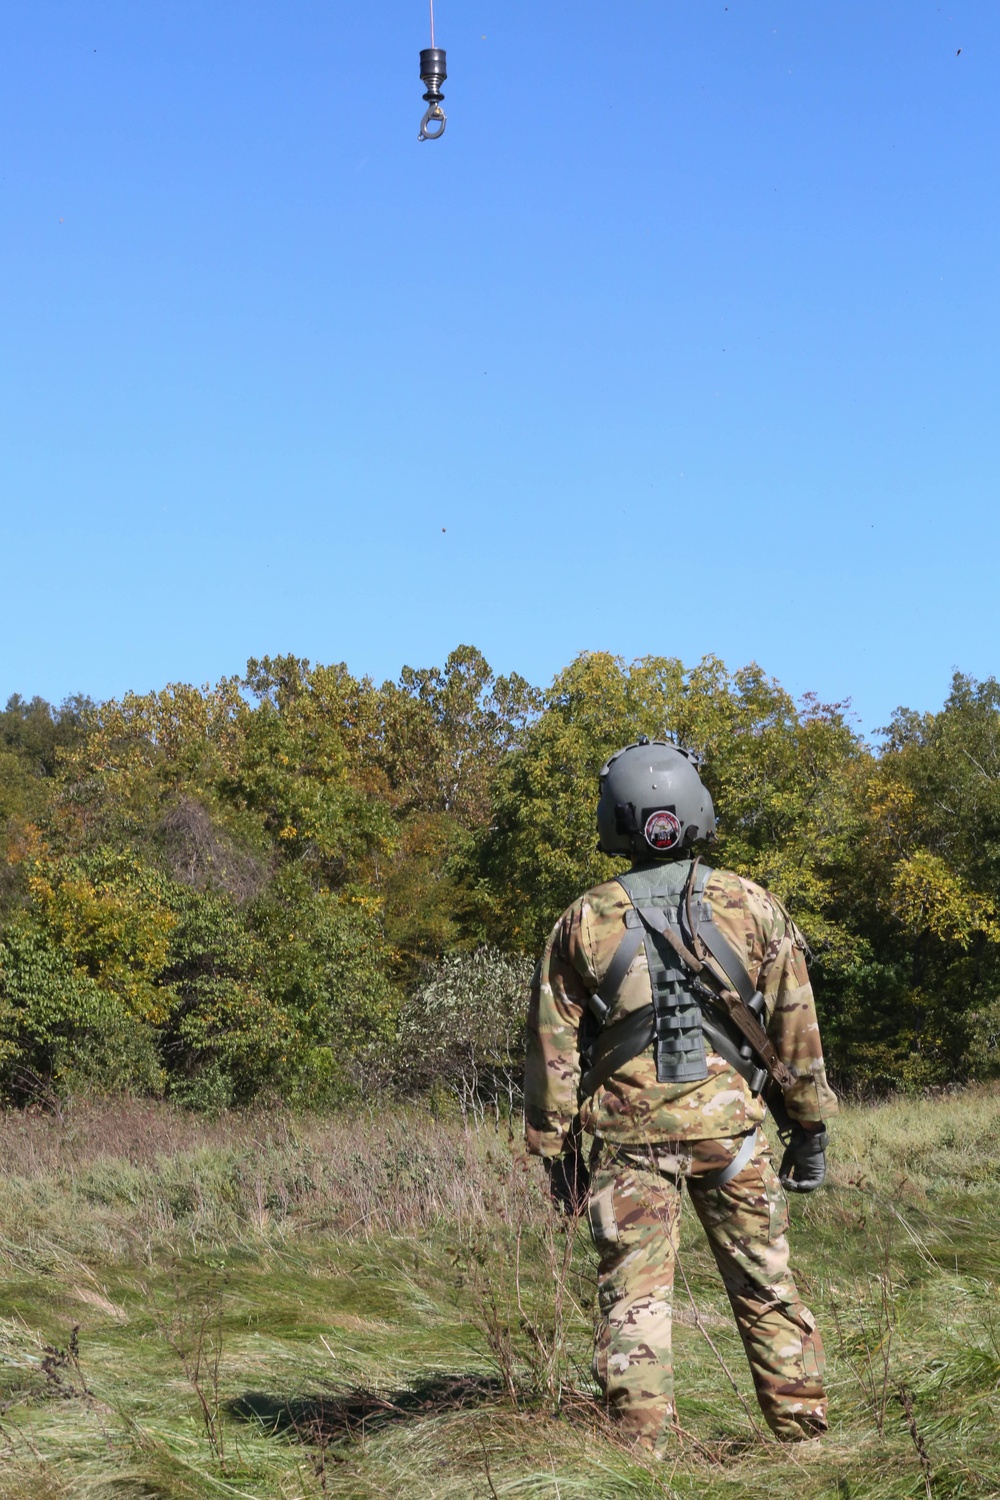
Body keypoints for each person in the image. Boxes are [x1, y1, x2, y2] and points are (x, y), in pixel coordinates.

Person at [524, 737, 838, 1455]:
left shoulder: (583, 920)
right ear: (694, 809)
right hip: (736, 1138)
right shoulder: (752, 905)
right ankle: (805, 1448)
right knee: (767, 1288)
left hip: (630, 1146)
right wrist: (810, 1130)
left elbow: (554, 1051)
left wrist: (556, 1153)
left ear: (617, 819)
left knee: (633, 1303)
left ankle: (640, 1458)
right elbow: (797, 1027)